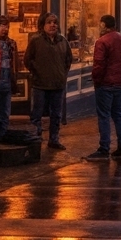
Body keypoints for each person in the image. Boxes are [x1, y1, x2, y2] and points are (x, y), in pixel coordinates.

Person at [26, 12, 73, 150]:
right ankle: (36, 139)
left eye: (55, 22)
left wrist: (62, 75)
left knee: (56, 114)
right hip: (40, 84)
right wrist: (37, 72)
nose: (53, 25)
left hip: (58, 84)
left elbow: (68, 60)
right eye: (49, 22)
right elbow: (28, 60)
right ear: (43, 25)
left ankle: (54, 139)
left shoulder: (63, 41)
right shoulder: (36, 41)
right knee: (37, 114)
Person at [88, 14, 121, 161]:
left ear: (104, 25)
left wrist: (96, 80)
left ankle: (104, 148)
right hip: (120, 82)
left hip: (105, 84)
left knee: (104, 116)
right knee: (118, 114)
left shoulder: (102, 42)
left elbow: (99, 64)